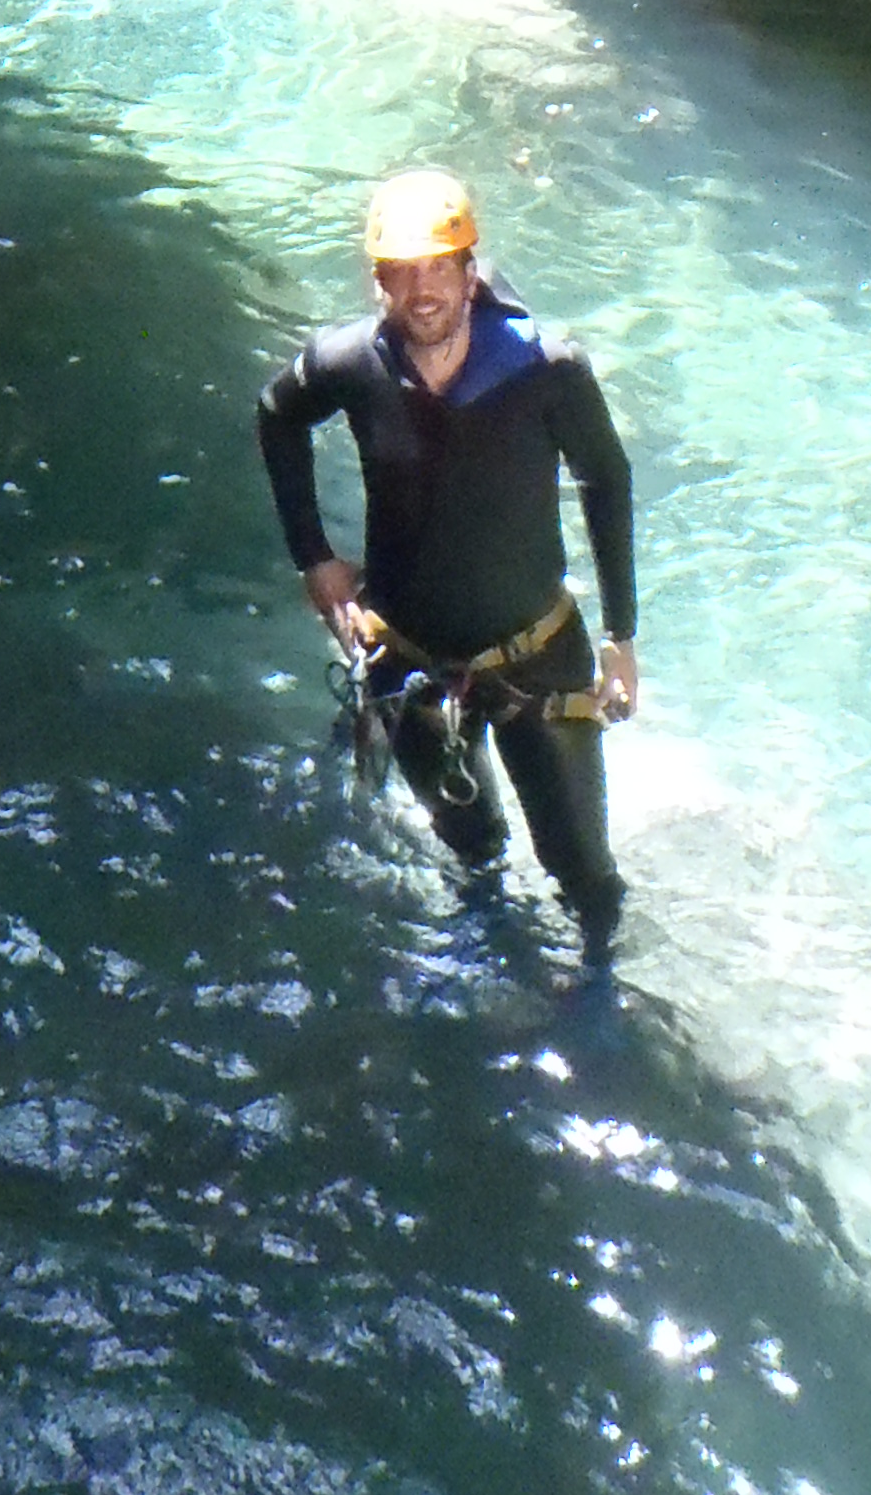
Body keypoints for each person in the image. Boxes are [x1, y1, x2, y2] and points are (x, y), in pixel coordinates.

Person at [255, 166, 639, 945]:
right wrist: (314, 558)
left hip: (534, 657)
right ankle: (489, 952)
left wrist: (620, 639)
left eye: (439, 269)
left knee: (582, 872)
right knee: (472, 844)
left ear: (470, 273)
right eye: (402, 273)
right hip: (408, 655)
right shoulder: (350, 363)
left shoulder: (545, 371)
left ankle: (595, 1001)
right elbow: (276, 415)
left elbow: (607, 479)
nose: (422, 291)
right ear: (378, 283)